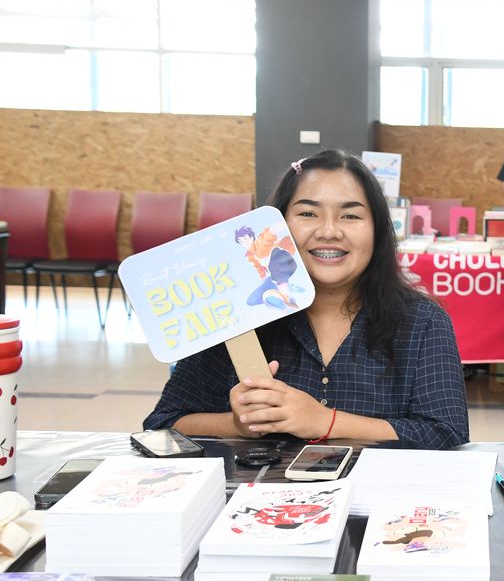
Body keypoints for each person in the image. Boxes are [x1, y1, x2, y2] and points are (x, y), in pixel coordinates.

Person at [144, 149, 470, 450]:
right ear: (278, 225)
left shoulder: (422, 322)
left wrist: (323, 421)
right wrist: (239, 425)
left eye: (350, 216)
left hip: (379, 506)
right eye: (308, 213)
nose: (329, 231)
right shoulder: (234, 313)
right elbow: (162, 425)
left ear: (378, 230)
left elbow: (447, 433)